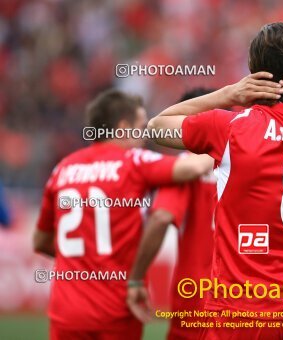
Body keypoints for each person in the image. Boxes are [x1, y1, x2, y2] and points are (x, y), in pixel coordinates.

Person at [148, 22, 283, 339]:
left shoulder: (231, 128)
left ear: (252, 71)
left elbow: (157, 126)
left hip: (239, 312)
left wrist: (228, 94)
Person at [33, 89, 212, 340]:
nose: (145, 136)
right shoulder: (133, 162)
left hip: (66, 309)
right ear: (124, 127)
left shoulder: (62, 169)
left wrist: (86, 262)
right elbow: (193, 166)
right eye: (141, 126)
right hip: (117, 306)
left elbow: (39, 241)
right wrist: (215, 141)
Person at [126, 88, 218, 340]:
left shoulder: (183, 169)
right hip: (246, 296)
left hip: (195, 294)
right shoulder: (247, 161)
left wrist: (135, 279)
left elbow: (161, 217)